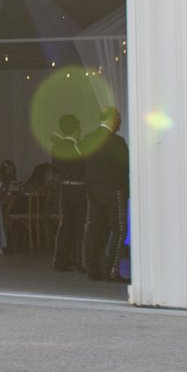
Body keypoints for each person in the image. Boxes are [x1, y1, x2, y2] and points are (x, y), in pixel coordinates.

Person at [82, 107, 131, 282]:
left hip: (93, 187)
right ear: (112, 119)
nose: (120, 122)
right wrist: (127, 190)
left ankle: (92, 269)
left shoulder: (88, 139)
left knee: (94, 228)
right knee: (120, 228)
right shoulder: (117, 142)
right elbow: (125, 166)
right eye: (118, 118)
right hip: (114, 188)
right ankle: (112, 270)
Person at [49, 115, 93, 272]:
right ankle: (80, 260)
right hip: (79, 189)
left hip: (65, 189)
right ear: (76, 130)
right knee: (80, 225)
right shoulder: (79, 146)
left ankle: (60, 260)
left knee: (65, 225)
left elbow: (55, 171)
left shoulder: (56, 147)